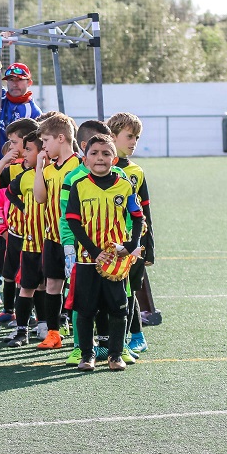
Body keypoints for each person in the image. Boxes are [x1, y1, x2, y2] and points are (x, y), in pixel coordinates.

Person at [57, 120, 136, 366]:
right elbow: (72, 221)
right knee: (85, 308)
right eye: (94, 153)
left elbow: (137, 216)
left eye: (105, 153)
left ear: (114, 159)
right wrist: (91, 250)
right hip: (87, 259)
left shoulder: (124, 185)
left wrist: (131, 245)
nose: (100, 158)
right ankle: (86, 355)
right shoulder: (78, 185)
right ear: (85, 159)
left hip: (115, 259)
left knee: (118, 307)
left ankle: (115, 354)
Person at [0, 61, 43, 308]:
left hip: (24, 177)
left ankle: (26, 297)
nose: (14, 84)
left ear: (29, 82)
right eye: (10, 80)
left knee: (22, 236)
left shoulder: (35, 112)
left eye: (19, 79)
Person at [0, 118, 40, 340]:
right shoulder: (14, 167)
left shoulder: (44, 169)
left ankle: (41, 321)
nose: (11, 146)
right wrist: (5, 159)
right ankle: (13, 314)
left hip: (37, 234)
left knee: (36, 281)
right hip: (16, 232)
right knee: (12, 274)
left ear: (27, 142)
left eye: (14, 142)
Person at [31, 111, 80, 350]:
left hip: (76, 238)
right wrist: (40, 167)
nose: (44, 146)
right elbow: (40, 198)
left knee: (81, 286)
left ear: (61, 138)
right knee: (52, 285)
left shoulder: (80, 166)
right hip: (52, 237)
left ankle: (83, 334)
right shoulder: (49, 170)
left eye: (46, 141)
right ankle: (53, 334)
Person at [107, 112, 154, 354]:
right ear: (112, 136)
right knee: (112, 291)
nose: (134, 142)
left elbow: (145, 211)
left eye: (136, 137)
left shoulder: (136, 171)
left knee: (128, 290)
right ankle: (113, 339)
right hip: (107, 241)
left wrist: (149, 248)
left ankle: (135, 336)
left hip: (133, 242)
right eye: (129, 136)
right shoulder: (98, 169)